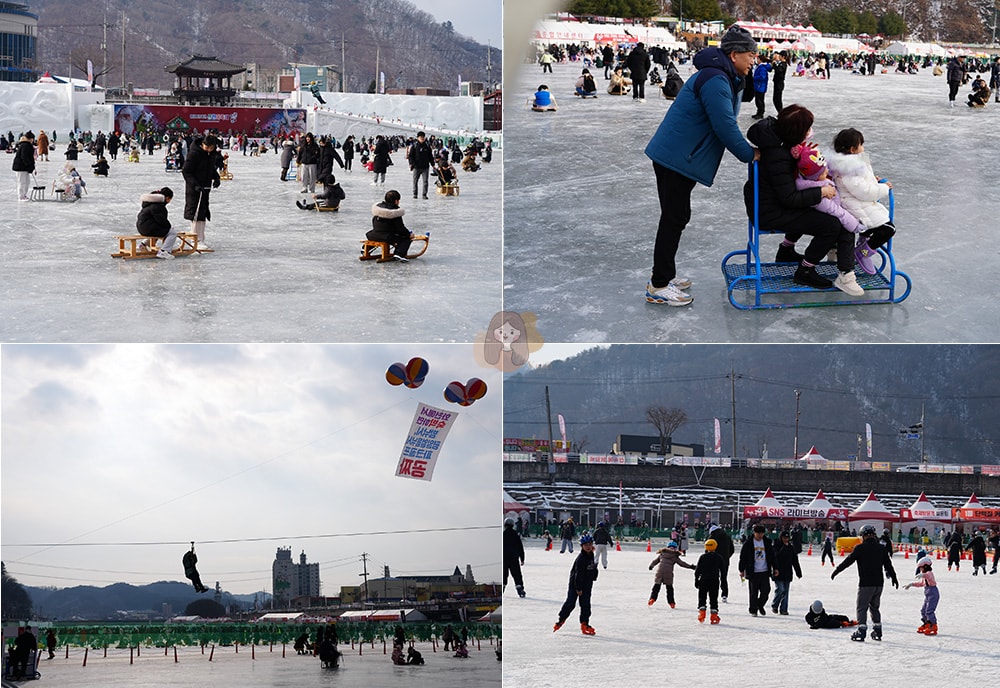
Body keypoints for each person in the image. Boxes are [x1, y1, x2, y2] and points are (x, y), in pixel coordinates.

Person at [643, 25, 760, 307]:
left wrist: (747, 79)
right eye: (750, 55)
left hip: (681, 156)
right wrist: (750, 154)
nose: (753, 60)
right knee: (674, 217)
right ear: (734, 55)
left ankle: (663, 276)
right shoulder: (715, 80)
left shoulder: (725, 76)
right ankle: (658, 285)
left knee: (675, 216)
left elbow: (743, 100)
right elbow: (724, 125)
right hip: (676, 157)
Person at [746, 104, 858, 293]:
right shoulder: (778, 156)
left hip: (769, 203)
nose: (809, 132)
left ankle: (786, 251)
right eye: (806, 129)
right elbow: (790, 198)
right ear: (795, 131)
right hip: (770, 212)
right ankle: (805, 271)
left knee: (817, 210)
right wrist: (821, 192)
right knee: (831, 225)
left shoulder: (779, 142)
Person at [826, 127, 897, 276]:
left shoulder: (851, 164)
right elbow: (864, 192)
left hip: (859, 203)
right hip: (856, 205)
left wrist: (873, 179)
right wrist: (883, 188)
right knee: (888, 229)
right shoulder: (850, 168)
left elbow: (861, 182)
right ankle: (863, 252)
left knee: (879, 226)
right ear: (853, 149)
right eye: (861, 145)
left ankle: (863, 244)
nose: (863, 148)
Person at [830, 523, 899, 642]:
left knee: (862, 607)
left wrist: (836, 571)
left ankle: (861, 631)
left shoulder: (860, 548)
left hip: (866, 584)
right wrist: (894, 578)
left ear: (864, 536)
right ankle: (878, 630)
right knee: (875, 608)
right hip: (879, 584)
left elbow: (848, 561)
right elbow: (889, 565)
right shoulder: (881, 548)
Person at [790, 142, 866, 239]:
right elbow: (836, 211)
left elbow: (830, 168)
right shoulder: (820, 199)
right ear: (816, 178)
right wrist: (854, 225)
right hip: (834, 217)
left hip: (835, 212)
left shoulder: (814, 179)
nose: (826, 171)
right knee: (843, 231)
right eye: (823, 173)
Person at [553, 533, 599, 635]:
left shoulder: (591, 555)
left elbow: (593, 568)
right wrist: (578, 588)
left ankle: (584, 623)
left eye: (590, 544)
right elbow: (578, 574)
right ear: (582, 546)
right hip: (575, 584)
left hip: (587, 584)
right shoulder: (581, 558)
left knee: (586, 605)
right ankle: (561, 619)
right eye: (586, 545)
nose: (588, 546)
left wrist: (594, 575)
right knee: (570, 603)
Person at [181, 135, 220, 249]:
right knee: (195, 214)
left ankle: (201, 239)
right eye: (207, 147)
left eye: (211, 147)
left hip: (205, 188)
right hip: (194, 189)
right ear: (202, 144)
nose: (208, 149)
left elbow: (211, 169)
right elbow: (186, 171)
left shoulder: (211, 155)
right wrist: (195, 185)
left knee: (203, 213)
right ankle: (194, 240)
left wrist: (216, 178)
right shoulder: (194, 154)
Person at [738, 523, 778, 616]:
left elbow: (772, 556)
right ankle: (753, 610)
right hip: (753, 571)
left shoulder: (767, 542)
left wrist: (775, 567)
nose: (760, 535)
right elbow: (743, 557)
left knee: (766, 591)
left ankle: (760, 605)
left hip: (764, 571)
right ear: (754, 533)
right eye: (758, 533)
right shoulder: (748, 543)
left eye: (762, 533)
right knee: (753, 593)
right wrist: (741, 570)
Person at [367, 189, 412, 261]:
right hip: (387, 236)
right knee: (405, 239)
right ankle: (399, 254)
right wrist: (408, 234)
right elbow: (400, 228)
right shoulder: (395, 212)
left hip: (373, 234)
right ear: (396, 201)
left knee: (377, 234)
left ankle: (365, 249)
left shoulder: (379, 208)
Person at [648, 540, 695, 608]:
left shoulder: (662, 553)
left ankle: (652, 599)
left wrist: (651, 566)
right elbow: (682, 564)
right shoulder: (674, 555)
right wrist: (691, 566)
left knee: (656, 587)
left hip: (660, 572)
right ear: (675, 548)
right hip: (668, 573)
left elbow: (655, 561)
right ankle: (671, 603)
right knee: (669, 588)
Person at [136, 186, 178, 259]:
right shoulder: (158, 206)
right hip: (148, 228)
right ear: (167, 198)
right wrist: (169, 227)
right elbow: (162, 220)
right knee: (172, 232)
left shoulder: (150, 203)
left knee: (159, 229)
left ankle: (143, 244)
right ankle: (164, 251)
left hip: (142, 227)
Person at [904, 556, 940, 635]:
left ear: (926, 566)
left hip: (933, 593)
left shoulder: (929, 573)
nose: (920, 570)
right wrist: (911, 584)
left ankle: (933, 625)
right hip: (928, 595)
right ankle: (927, 623)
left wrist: (923, 575)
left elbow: (928, 576)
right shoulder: (925, 576)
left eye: (921, 568)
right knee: (923, 611)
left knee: (929, 611)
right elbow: (921, 584)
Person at [771, 530, 802, 615]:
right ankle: (775, 605)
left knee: (786, 592)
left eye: (787, 538)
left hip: (787, 572)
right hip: (778, 572)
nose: (786, 540)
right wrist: (784, 547)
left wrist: (798, 572)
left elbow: (795, 561)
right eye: (784, 538)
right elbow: (777, 557)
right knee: (780, 589)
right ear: (781, 538)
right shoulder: (776, 546)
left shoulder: (791, 548)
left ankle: (783, 609)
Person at [694, 538, 723, 624]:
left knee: (702, 596)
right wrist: (723, 582)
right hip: (714, 580)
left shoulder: (703, 557)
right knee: (713, 598)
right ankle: (714, 616)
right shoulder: (719, 557)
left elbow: (698, 570)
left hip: (703, 580)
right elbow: (723, 571)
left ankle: (702, 614)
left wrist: (696, 579)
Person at [707, 524, 735, 602]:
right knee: (723, 577)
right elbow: (732, 550)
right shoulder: (727, 536)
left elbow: (708, 549)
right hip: (725, 561)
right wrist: (726, 557)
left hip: (713, 560)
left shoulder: (712, 537)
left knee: (713, 577)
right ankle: (724, 594)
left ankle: (712, 593)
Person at [503, 517, 526, 598]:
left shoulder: (503, 535)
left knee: (504, 574)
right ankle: (520, 589)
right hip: (514, 558)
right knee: (517, 575)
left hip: (504, 559)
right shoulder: (515, 535)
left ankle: (502, 588)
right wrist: (522, 558)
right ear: (513, 525)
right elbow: (520, 547)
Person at [407, 131, 434, 199]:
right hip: (416, 167)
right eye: (420, 137)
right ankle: (415, 194)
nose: (422, 138)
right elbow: (410, 156)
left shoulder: (427, 146)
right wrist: (412, 164)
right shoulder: (415, 146)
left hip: (425, 167)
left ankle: (424, 194)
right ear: (418, 138)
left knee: (425, 182)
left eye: (423, 137)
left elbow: (430, 156)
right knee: (415, 181)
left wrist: (432, 163)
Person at [751, 54, 771, 119]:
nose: (757, 60)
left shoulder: (762, 67)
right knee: (758, 100)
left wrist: (754, 78)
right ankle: (759, 112)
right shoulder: (760, 66)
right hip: (758, 86)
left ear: (760, 60)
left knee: (760, 101)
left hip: (760, 86)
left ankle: (761, 113)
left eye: (758, 59)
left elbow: (762, 77)